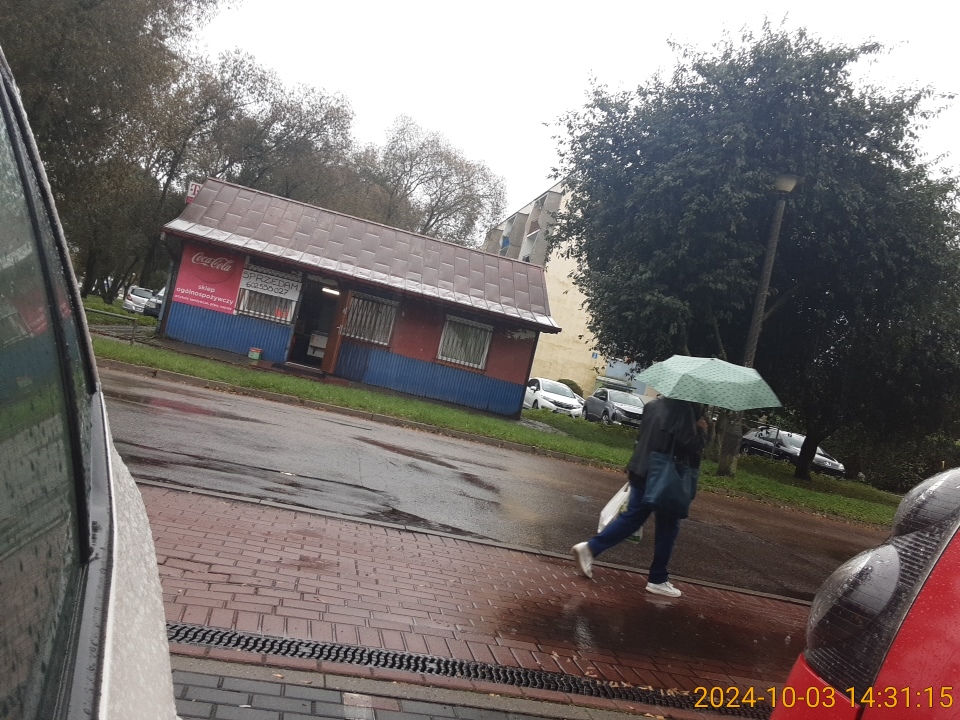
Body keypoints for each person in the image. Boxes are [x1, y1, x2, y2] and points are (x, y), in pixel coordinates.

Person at [572, 396, 708, 597]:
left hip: (641, 469)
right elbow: (689, 444)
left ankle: (591, 548)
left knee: (632, 518)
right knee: (668, 526)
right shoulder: (685, 409)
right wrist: (702, 429)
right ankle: (657, 579)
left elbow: (645, 437)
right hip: (664, 476)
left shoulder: (653, 405)